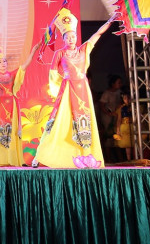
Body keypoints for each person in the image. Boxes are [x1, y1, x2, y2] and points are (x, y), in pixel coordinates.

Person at [34, 9, 113, 168]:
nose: (71, 39)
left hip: (82, 90)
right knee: (57, 121)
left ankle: (85, 155)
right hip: (67, 89)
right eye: (67, 37)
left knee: (83, 122)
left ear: (77, 37)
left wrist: (111, 20)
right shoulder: (59, 53)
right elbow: (53, 74)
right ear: (63, 38)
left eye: (73, 36)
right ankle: (40, 156)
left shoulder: (84, 49)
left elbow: (98, 34)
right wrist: (57, 91)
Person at [0, 43, 37, 166]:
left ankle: (15, 160)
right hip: (0, 105)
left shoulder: (12, 74)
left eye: (4, 61)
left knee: (13, 131)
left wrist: (33, 51)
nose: (3, 64)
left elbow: (25, 65)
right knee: (1, 131)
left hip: (13, 105)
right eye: (0, 62)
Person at [98, 74, 125, 162]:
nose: (120, 84)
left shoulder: (119, 92)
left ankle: (119, 158)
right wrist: (109, 113)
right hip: (108, 118)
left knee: (117, 136)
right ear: (113, 84)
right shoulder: (107, 93)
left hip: (117, 116)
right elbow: (101, 105)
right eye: (118, 83)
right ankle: (108, 158)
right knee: (109, 137)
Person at [114, 90, 134, 162]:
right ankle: (129, 159)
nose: (127, 100)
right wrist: (118, 130)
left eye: (128, 98)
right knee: (127, 144)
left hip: (133, 125)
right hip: (125, 126)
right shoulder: (121, 108)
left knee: (135, 142)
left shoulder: (135, 107)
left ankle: (136, 157)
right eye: (125, 98)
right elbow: (119, 119)